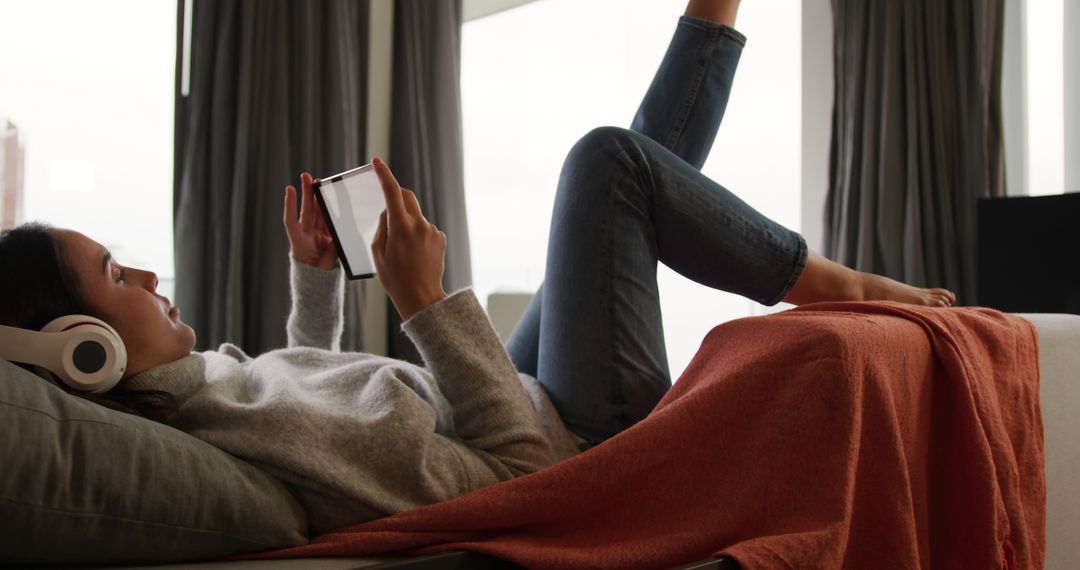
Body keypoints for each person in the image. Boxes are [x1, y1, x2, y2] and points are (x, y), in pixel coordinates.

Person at [0, 0, 953, 535]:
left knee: (616, 182)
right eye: (118, 279)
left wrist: (317, 282)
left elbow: (302, 384)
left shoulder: (212, 398)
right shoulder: (236, 432)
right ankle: (832, 282)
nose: (152, 279)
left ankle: (711, 21)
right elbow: (521, 473)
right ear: (84, 351)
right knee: (604, 167)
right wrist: (426, 303)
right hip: (573, 432)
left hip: (522, 390)